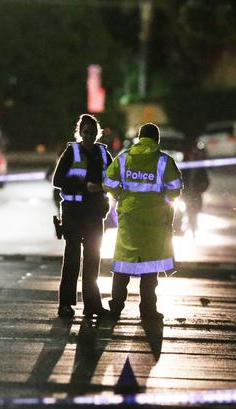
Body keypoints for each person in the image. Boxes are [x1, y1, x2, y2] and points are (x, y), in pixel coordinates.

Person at [103, 123, 183, 320]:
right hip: (154, 220)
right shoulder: (164, 161)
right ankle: (147, 310)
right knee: (149, 267)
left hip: (129, 217)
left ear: (139, 138)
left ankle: (116, 307)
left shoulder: (125, 158)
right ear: (157, 140)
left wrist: (121, 194)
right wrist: (163, 201)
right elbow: (175, 188)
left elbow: (108, 182)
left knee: (123, 263)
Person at [52, 114, 112, 319]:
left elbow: (113, 179)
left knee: (93, 260)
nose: (89, 136)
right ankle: (65, 305)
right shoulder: (72, 152)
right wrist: (84, 186)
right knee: (72, 260)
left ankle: (92, 305)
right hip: (74, 212)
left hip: (95, 214)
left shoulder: (103, 154)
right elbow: (57, 180)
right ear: (80, 132)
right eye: (85, 132)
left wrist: (102, 188)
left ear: (97, 133)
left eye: (93, 132)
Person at [180, 163, 209, 237]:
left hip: (196, 195)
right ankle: (190, 227)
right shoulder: (185, 169)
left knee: (194, 212)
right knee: (188, 211)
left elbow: (206, 182)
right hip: (187, 195)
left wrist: (200, 189)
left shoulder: (200, 169)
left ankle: (192, 228)